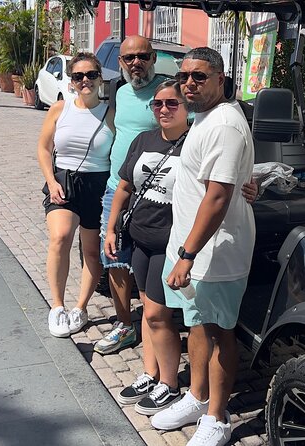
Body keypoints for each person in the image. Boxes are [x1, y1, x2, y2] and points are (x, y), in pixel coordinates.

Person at [103, 81, 258, 416]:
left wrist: (250, 185)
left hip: (175, 243)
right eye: (157, 104)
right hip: (146, 237)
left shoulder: (205, 130)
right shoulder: (146, 139)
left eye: (171, 104)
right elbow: (125, 185)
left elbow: (223, 183)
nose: (163, 109)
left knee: (167, 315)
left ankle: (172, 384)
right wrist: (112, 226)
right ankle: (152, 373)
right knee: (151, 311)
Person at [151, 48, 255, 446]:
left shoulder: (224, 123)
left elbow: (217, 197)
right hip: (194, 250)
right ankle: (197, 395)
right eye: (184, 77)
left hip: (215, 254)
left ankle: (217, 416)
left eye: (199, 76)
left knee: (219, 332)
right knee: (196, 324)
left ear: (220, 79)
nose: (189, 83)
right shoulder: (204, 118)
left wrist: (187, 256)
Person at [94, 35, 170, 355]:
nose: (136, 62)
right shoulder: (121, 93)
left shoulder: (169, 94)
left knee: (151, 259)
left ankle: (156, 322)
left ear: (153, 58)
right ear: (121, 63)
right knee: (114, 257)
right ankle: (125, 325)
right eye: (129, 58)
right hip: (117, 187)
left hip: (155, 193)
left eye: (143, 56)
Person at [37, 52, 114, 338]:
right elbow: (44, 148)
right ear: (71, 81)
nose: (85, 81)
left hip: (98, 186)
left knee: (91, 251)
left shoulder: (110, 113)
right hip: (64, 181)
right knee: (60, 237)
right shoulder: (60, 108)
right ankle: (57, 306)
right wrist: (50, 180)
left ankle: (80, 308)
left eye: (91, 75)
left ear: (100, 79)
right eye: (78, 76)